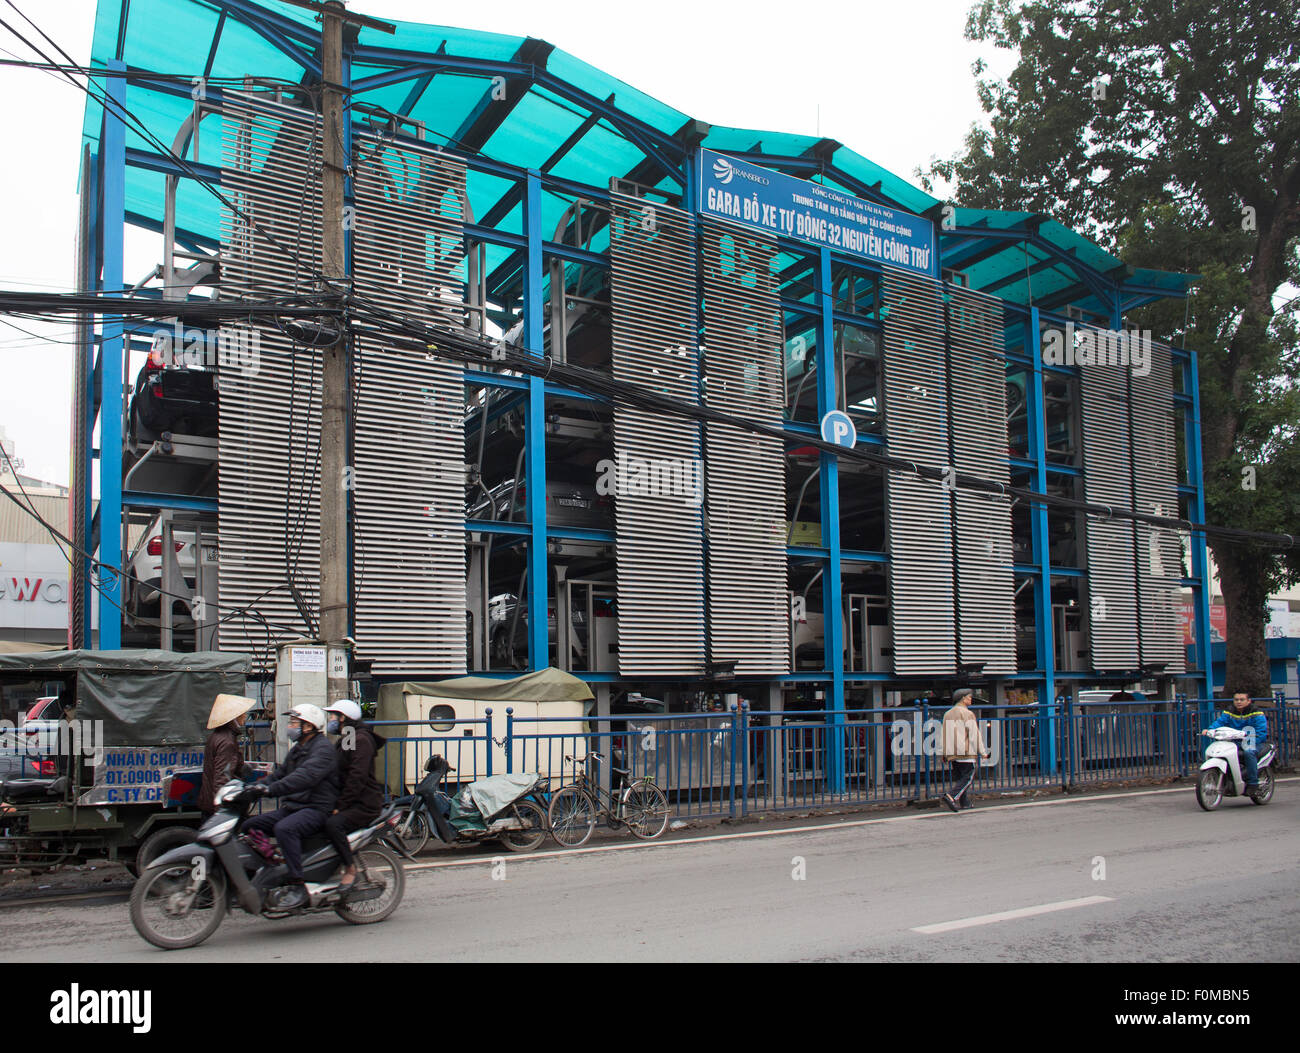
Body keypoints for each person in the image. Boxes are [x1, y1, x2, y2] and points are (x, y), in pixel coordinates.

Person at [238, 703, 339, 909]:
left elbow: (303, 778)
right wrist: (255, 787)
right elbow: (280, 774)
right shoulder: (298, 749)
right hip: (295, 806)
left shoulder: (323, 749)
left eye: (294, 722)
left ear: (308, 726)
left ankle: (297, 884)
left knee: (285, 829)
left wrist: (270, 790)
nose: (290, 726)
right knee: (250, 825)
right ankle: (273, 868)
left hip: (316, 808)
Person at [323, 700, 386, 887]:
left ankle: (350, 867)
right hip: (351, 800)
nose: (331, 720)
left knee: (333, 825)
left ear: (344, 718)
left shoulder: (361, 739)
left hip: (364, 804)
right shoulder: (349, 736)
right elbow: (342, 768)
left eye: (334, 716)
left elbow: (356, 776)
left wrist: (341, 805)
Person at [1202, 690, 1269, 797]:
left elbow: (1261, 731)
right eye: (1236, 699)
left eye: (1242, 699)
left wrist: (1250, 738)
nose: (1238, 702)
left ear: (1248, 701)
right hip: (1234, 742)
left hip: (1253, 741)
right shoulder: (1229, 711)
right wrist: (1210, 730)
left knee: (1248, 752)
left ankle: (1253, 783)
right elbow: (1220, 722)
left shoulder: (1257, 713)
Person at [198, 694, 254, 816]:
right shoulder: (227, 742)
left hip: (210, 805)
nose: (245, 716)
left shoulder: (217, 736)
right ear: (234, 717)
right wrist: (221, 812)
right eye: (242, 713)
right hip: (220, 809)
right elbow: (222, 778)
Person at [941, 688, 989, 812]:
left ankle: (965, 802)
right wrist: (982, 752)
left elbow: (944, 734)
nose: (971, 699)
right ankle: (951, 796)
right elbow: (974, 734)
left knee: (960, 778)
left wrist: (944, 753)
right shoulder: (967, 713)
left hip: (952, 752)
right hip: (966, 751)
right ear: (963, 698)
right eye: (969, 697)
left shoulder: (948, 713)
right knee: (968, 777)